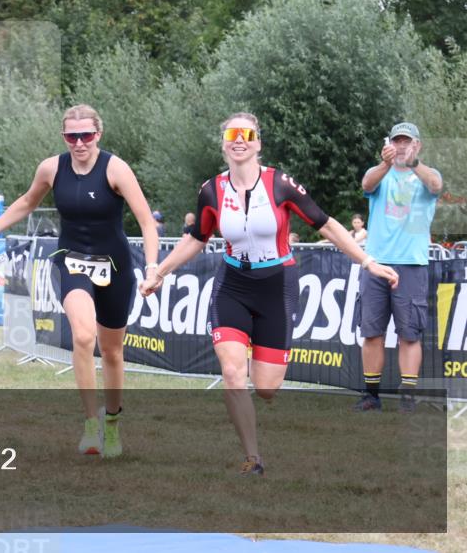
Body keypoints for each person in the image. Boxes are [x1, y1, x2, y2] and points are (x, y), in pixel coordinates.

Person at [139, 112, 398, 476]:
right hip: (232, 284)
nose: (239, 139)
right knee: (232, 372)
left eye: (247, 134)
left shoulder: (280, 184)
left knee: (266, 388)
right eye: (232, 134)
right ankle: (253, 458)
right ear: (224, 143)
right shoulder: (211, 190)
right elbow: (197, 239)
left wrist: (368, 262)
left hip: (277, 285)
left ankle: (259, 364)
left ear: (258, 142)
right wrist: (159, 273)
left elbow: (326, 225)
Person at [0, 104, 159, 458]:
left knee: (112, 351)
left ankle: (112, 422)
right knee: (83, 337)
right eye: (72, 136)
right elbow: (26, 202)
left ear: (98, 134)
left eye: (86, 135)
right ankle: (89, 426)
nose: (79, 142)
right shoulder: (52, 168)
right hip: (72, 262)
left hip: (114, 266)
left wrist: (154, 266)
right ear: (64, 137)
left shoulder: (115, 169)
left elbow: (146, 221)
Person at [353, 122, 442, 413]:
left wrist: (412, 163)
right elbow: (366, 184)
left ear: (417, 145)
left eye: (407, 141)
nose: (401, 146)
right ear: (389, 143)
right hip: (376, 262)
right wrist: (384, 163)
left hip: (412, 264)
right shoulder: (380, 173)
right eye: (397, 141)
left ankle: (408, 396)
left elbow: (436, 186)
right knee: (371, 332)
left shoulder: (426, 175)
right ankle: (371, 395)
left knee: (410, 334)